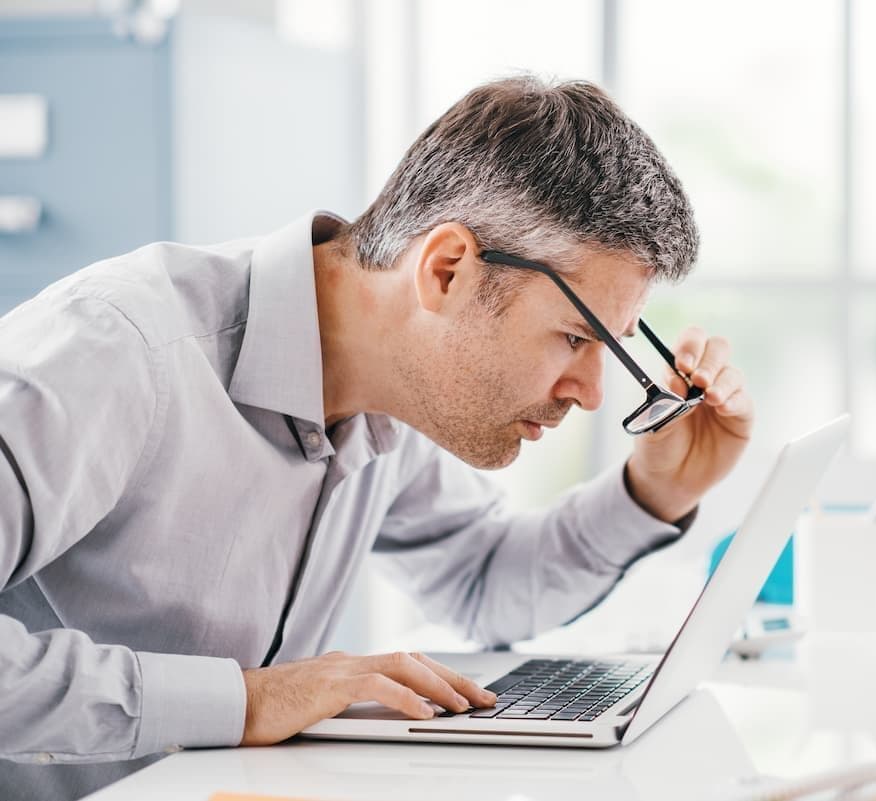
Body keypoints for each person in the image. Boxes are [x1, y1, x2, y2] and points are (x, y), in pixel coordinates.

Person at [0, 76, 752, 800]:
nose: (591, 394)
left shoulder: (393, 393)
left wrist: (655, 490)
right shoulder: (118, 351)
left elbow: (485, 581)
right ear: (448, 269)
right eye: (573, 339)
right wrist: (245, 701)